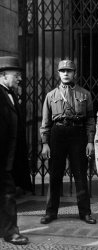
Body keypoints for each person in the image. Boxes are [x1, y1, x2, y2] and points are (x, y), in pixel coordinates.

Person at [40, 60, 96, 224]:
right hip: (58, 134)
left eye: (69, 71)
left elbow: (90, 120)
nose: (65, 73)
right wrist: (45, 143)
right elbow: (45, 122)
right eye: (62, 71)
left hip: (78, 134)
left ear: (74, 73)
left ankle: (85, 213)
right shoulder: (51, 96)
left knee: (80, 175)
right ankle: (50, 212)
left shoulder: (85, 94)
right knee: (55, 175)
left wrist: (90, 141)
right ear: (58, 73)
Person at [0, 56, 30, 245]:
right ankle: (11, 233)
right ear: (3, 75)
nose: (19, 78)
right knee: (7, 195)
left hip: (7, 158)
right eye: (16, 75)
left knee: (7, 194)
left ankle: (8, 230)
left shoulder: (10, 94)